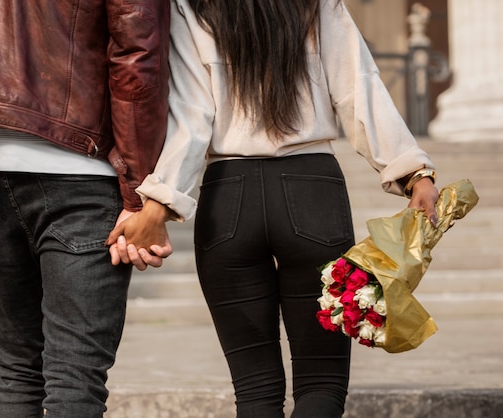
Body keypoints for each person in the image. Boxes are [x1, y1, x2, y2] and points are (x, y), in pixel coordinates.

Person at [107, 0, 440, 416]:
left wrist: (157, 204)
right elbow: (359, 87)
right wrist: (413, 171)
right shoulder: (314, 4)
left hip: (229, 198)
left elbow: (193, 117)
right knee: (322, 382)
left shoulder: (190, 7)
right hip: (312, 190)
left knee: (255, 389)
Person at [0, 0, 171, 416]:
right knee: (74, 379)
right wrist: (139, 189)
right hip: (81, 163)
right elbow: (137, 53)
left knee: (16, 375)